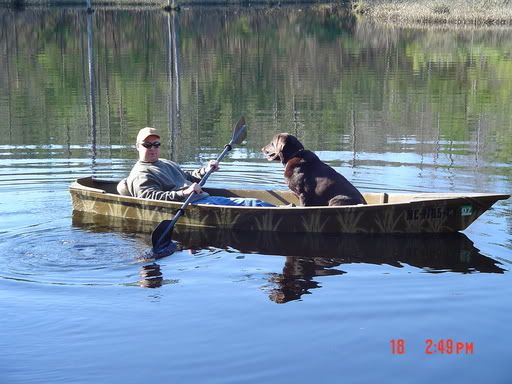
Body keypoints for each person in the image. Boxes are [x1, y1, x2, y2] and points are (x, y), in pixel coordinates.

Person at [117, 127, 274, 207]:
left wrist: (206, 169)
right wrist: (184, 192)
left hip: (202, 199)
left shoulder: (164, 162)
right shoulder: (140, 173)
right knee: (254, 204)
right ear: (138, 146)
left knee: (255, 203)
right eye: (147, 145)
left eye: (156, 144)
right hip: (191, 205)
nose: (152, 148)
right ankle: (292, 213)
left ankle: (290, 210)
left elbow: (187, 176)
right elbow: (151, 199)